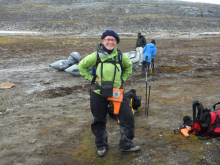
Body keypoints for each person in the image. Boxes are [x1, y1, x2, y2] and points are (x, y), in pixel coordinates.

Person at [78, 30, 141, 157]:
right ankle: (101, 145)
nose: (110, 42)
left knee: (128, 117)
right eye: (107, 39)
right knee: (99, 120)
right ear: (103, 41)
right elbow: (81, 66)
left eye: (113, 40)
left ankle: (126, 145)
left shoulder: (121, 56)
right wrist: (91, 78)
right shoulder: (95, 56)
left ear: (116, 42)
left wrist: (123, 78)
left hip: (116, 92)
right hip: (98, 92)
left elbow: (128, 67)